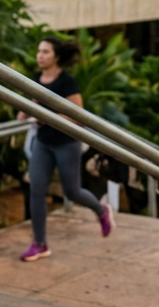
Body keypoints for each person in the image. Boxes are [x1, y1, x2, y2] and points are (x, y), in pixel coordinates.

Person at [18, 37, 114, 262]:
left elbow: (78, 116)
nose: (40, 55)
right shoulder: (36, 79)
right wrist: (24, 112)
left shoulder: (67, 82)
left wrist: (47, 117)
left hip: (66, 143)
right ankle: (39, 243)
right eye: (39, 51)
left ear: (57, 57)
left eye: (46, 52)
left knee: (72, 191)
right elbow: (31, 105)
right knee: (36, 191)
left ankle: (101, 211)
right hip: (43, 142)